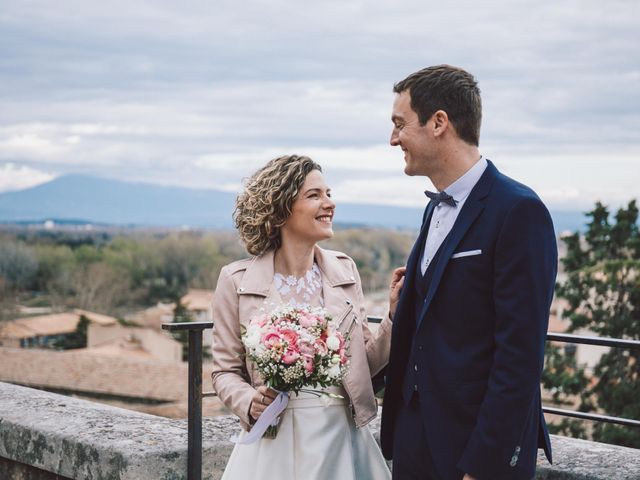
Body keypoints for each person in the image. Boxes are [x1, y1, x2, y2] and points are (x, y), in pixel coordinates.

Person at [380, 65, 557, 480]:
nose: (392, 139)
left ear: (439, 122)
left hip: (474, 451)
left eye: (399, 124)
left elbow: (520, 356)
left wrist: (484, 465)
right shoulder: (433, 208)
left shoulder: (518, 211)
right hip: (416, 444)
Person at [211, 154, 402, 479]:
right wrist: (248, 401)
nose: (329, 204)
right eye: (314, 195)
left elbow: (363, 367)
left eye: (328, 193)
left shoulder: (346, 270)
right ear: (281, 208)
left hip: (341, 437)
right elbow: (224, 372)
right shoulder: (235, 280)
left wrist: (394, 318)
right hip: (273, 442)